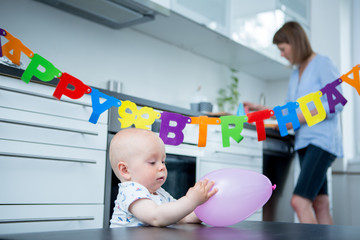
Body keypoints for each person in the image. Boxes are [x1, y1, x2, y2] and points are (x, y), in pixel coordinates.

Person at [244, 21, 343, 224]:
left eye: (282, 49)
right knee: (320, 203)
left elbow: (336, 101)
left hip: (321, 142)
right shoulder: (296, 73)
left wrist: (299, 117)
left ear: (295, 43)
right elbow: (289, 109)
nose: (281, 54)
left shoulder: (322, 63)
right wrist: (263, 110)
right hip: (304, 143)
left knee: (299, 202)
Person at [109, 128, 218, 227]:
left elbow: (181, 217)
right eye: (152, 162)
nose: (162, 167)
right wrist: (191, 200)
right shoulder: (130, 192)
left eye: (163, 161)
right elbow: (156, 217)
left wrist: (202, 212)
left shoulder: (161, 193)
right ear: (125, 170)